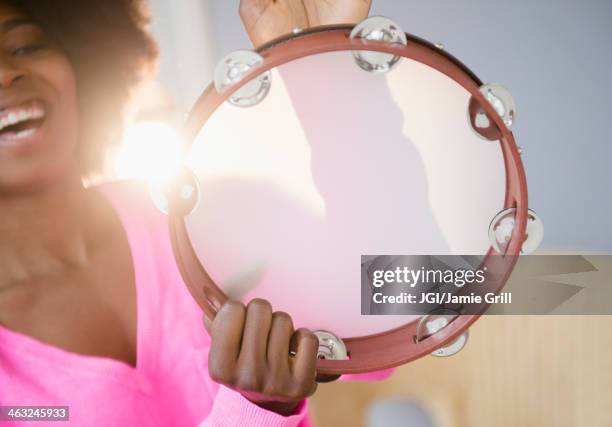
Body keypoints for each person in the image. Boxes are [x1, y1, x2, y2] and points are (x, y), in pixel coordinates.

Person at [0, 0, 390, 426]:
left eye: (24, 46)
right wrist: (255, 411)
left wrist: (325, 71)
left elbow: (433, 294)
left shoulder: (187, 207)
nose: (6, 73)